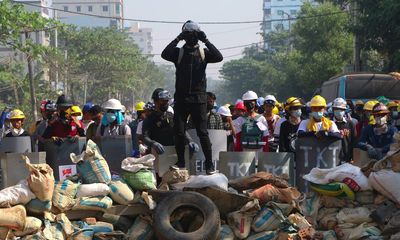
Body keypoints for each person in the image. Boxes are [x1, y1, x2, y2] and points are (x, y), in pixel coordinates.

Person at [161, 20, 223, 173]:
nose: (191, 37)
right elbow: (164, 54)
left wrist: (205, 40)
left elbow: (219, 57)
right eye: (188, 34)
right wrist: (178, 38)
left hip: (199, 98)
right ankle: (181, 162)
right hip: (182, 98)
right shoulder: (179, 52)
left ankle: (209, 164)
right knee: (179, 131)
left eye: (193, 34)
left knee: (202, 132)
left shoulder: (203, 53)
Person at [142, 89, 198, 173]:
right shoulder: (149, 119)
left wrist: (190, 141)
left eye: (166, 101)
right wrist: (153, 144)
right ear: (156, 102)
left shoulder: (172, 116)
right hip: (157, 156)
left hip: (174, 154)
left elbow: (182, 130)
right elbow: (145, 137)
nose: (165, 103)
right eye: (162, 101)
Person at [331, 98, 357, 163]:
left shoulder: (350, 123)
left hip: (347, 159)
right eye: (337, 109)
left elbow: (354, 141)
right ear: (333, 110)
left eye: (341, 109)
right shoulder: (329, 123)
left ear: (345, 110)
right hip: (332, 159)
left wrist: (353, 157)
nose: (339, 111)